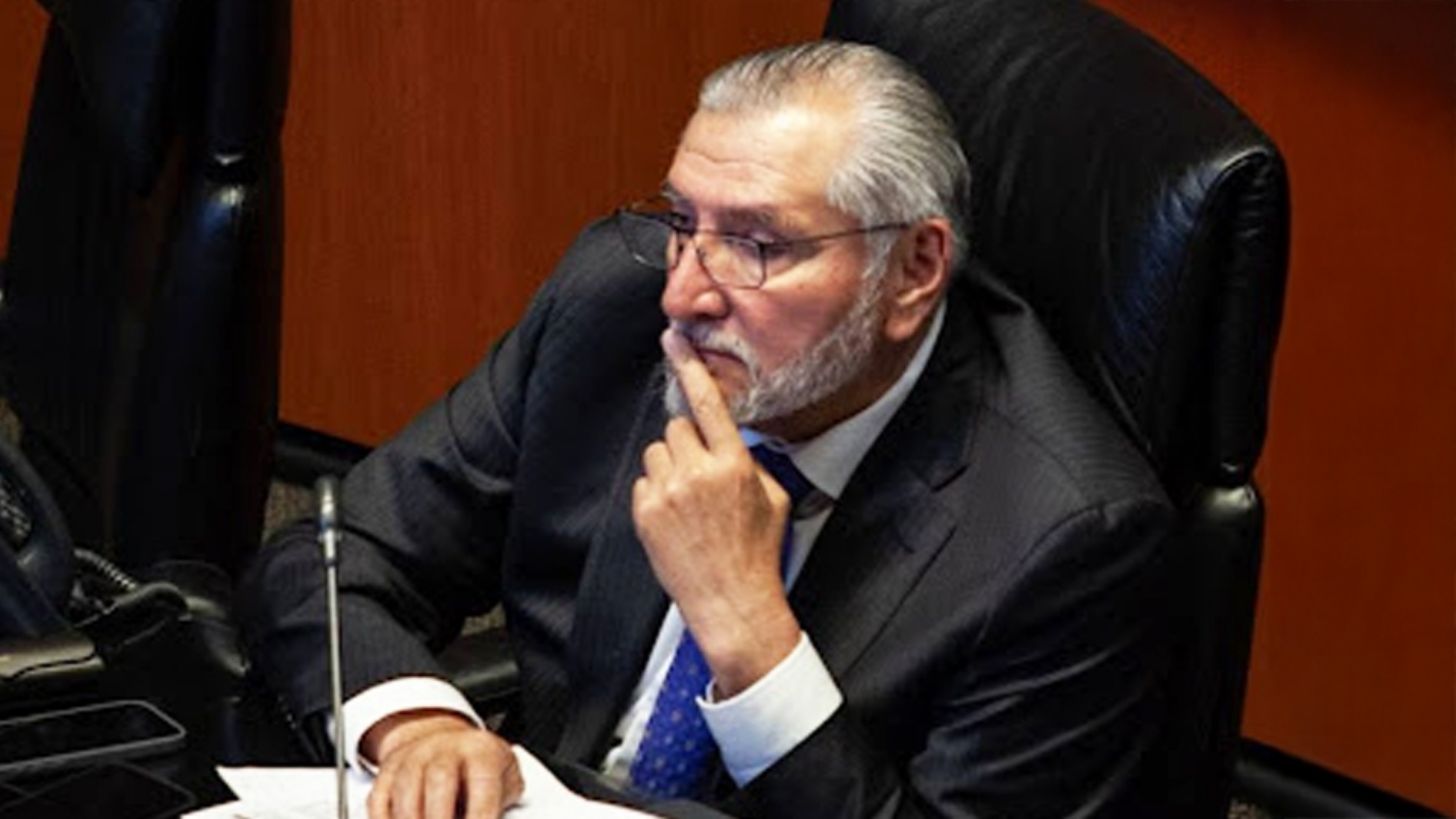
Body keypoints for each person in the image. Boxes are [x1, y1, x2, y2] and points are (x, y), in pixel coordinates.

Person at [239, 41, 1174, 819]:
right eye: (685, 221)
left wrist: (751, 635)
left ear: (914, 268)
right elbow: (332, 557)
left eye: (757, 245)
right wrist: (420, 728)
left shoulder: (1065, 534)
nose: (684, 292)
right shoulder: (611, 303)